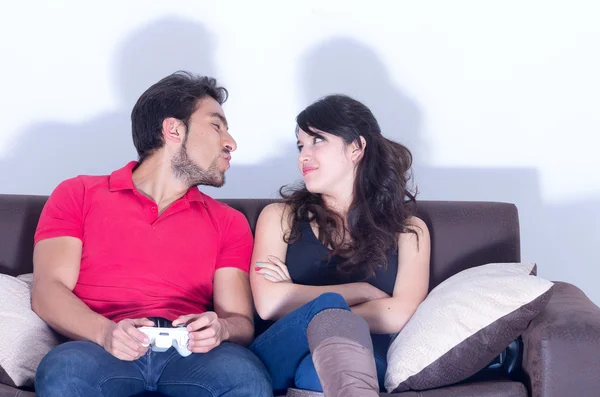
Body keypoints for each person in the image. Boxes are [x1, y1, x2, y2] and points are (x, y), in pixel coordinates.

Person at [31, 71, 272, 397]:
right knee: (63, 370)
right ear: (174, 129)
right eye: (217, 126)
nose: (231, 142)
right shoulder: (79, 193)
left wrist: (221, 328)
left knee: (246, 377)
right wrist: (106, 333)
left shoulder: (228, 221)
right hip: (102, 347)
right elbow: (48, 291)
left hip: (192, 355)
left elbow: (240, 321)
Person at [248, 94, 431, 395]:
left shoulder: (410, 231)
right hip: (282, 353)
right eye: (300, 145)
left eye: (317, 140)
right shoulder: (280, 217)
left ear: (357, 148)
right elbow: (269, 305)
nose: (303, 156)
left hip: (362, 357)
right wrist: (362, 292)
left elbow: (401, 313)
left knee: (322, 372)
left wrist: (306, 302)